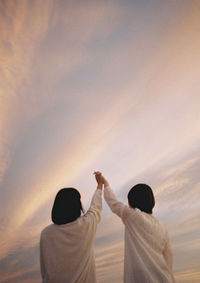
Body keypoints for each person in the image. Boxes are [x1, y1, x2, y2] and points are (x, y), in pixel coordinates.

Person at [101, 173, 175, 283]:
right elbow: (169, 259)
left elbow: (113, 202)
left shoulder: (133, 216)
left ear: (132, 203)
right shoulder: (162, 227)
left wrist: (104, 183)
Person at [40, 172, 103, 283]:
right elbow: (95, 207)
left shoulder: (46, 233)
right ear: (77, 205)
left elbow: (44, 270)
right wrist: (99, 184)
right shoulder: (86, 225)